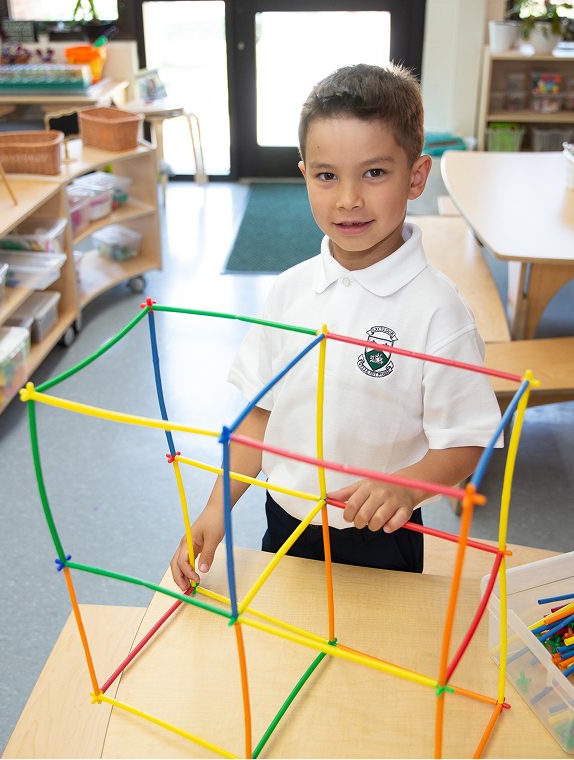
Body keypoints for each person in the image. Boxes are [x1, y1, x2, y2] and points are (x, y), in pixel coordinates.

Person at [170, 63, 501, 591]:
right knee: (287, 646)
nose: (348, 199)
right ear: (304, 175)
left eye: (374, 173)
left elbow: (467, 441)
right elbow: (259, 419)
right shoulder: (288, 291)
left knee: (381, 662)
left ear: (416, 177)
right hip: (286, 520)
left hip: (381, 531)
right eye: (327, 175)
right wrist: (216, 507)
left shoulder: (438, 311)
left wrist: (405, 488)